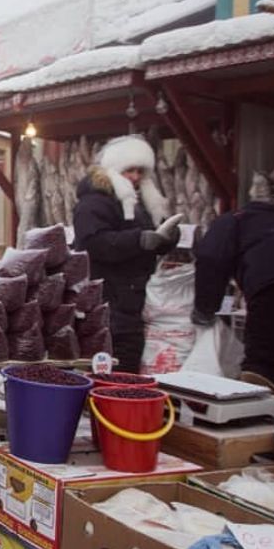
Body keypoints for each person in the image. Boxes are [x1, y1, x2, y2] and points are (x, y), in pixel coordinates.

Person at [72, 135, 182, 373]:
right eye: (129, 170)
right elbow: (94, 243)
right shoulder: (92, 203)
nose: (135, 177)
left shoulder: (138, 204)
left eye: (140, 171)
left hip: (130, 300)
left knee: (127, 362)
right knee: (112, 364)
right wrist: (139, 240)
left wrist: (167, 236)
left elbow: (148, 240)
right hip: (106, 300)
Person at [191, 173, 274, 396]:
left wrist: (205, 308)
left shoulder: (234, 220)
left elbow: (211, 258)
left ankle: (257, 421)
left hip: (273, 289)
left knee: (263, 364)